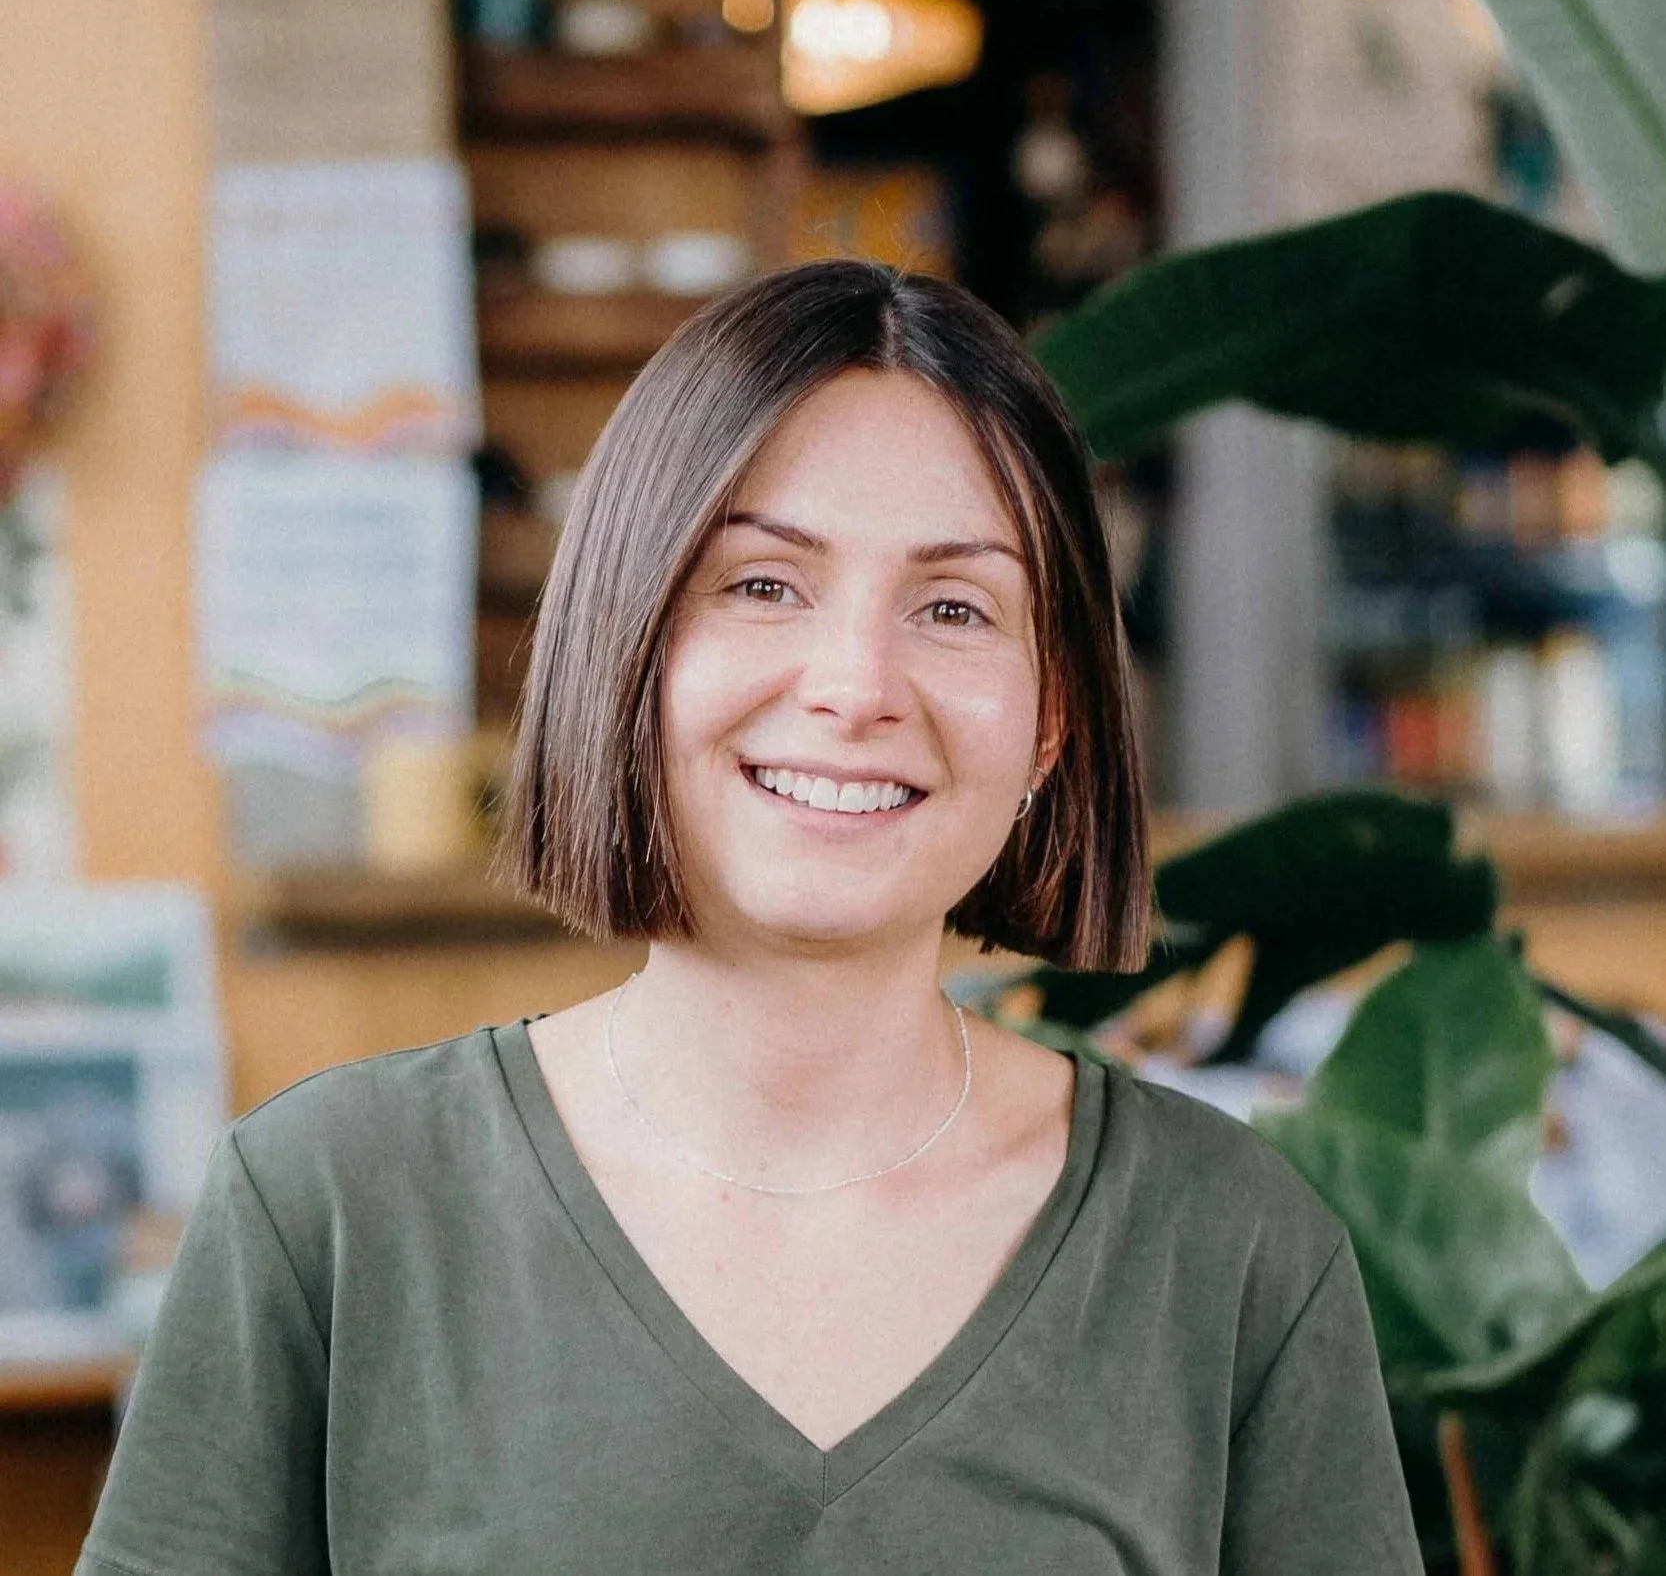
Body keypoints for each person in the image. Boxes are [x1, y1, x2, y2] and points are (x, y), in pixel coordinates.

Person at [77, 261, 1421, 1575]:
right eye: (762, 584)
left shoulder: (1229, 1246)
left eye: (951, 607)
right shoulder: (329, 1205)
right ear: (626, 641)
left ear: (1052, 718)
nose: (854, 686)